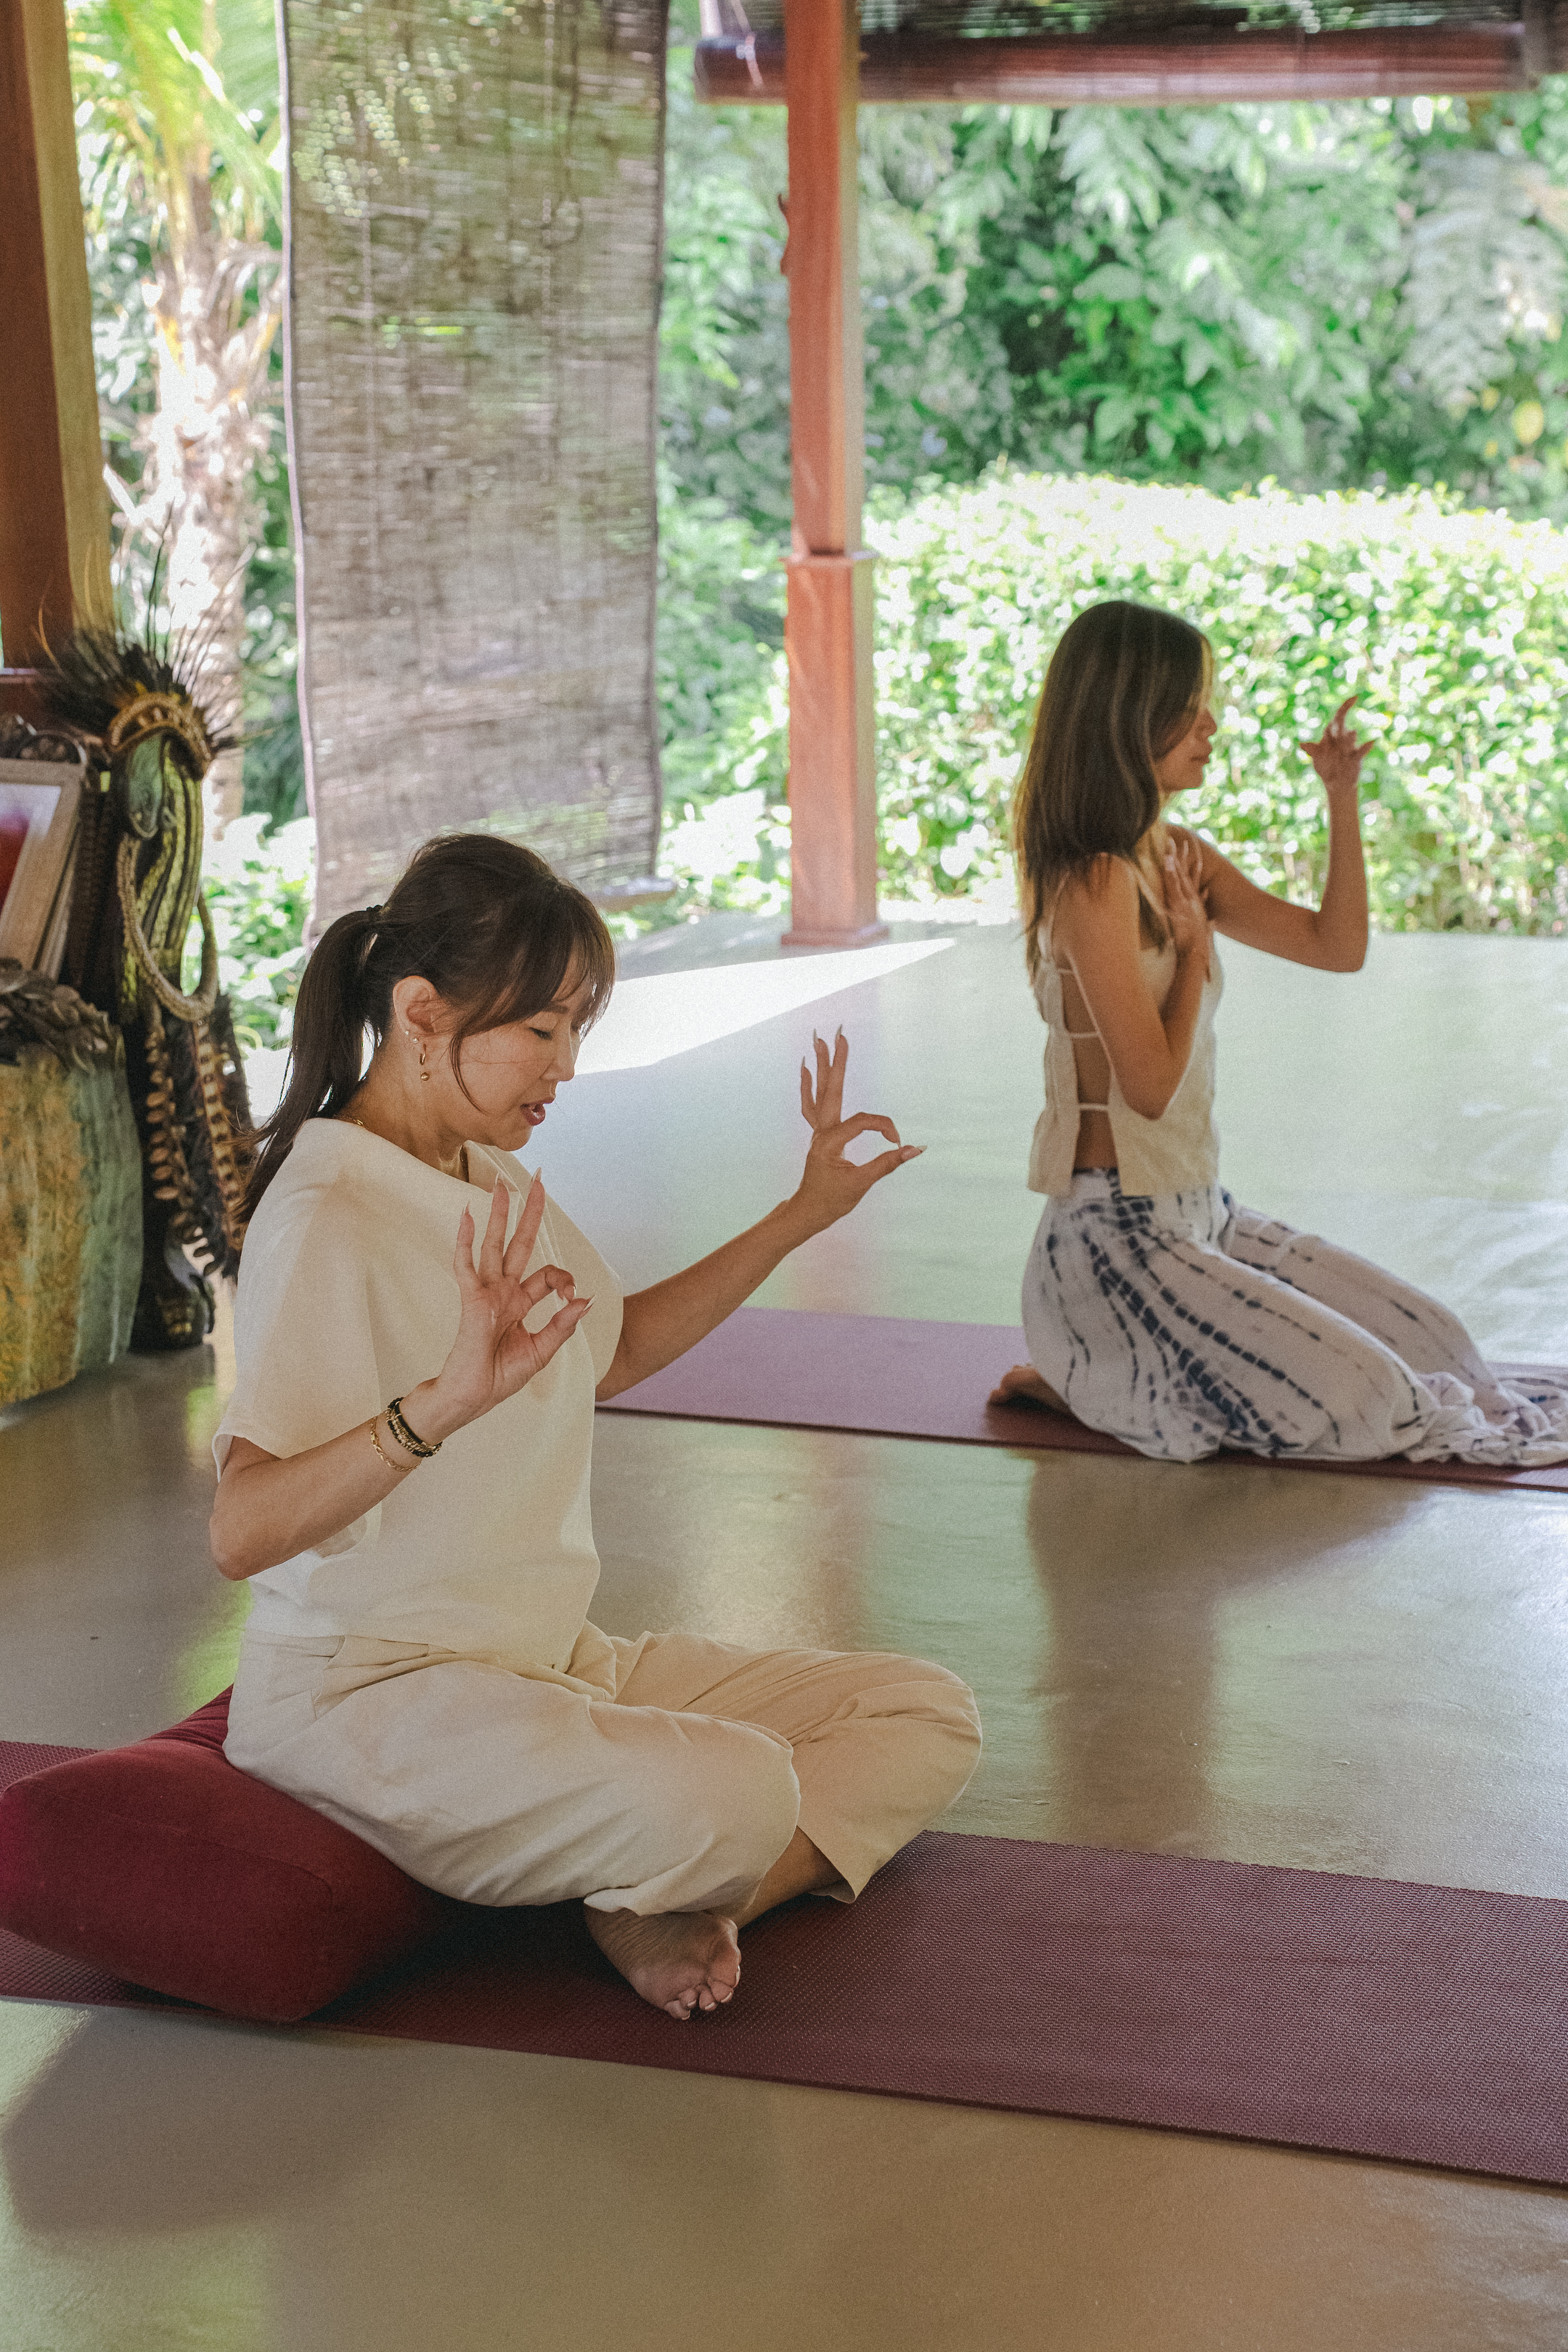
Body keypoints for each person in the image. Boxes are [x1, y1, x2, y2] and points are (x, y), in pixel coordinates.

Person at [210, 834, 981, 2021]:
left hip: (550, 1660)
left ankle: (677, 1901)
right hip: (373, 1696)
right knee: (739, 1788)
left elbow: (609, 1350)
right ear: (421, 1014)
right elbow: (242, 1530)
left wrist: (802, 1214)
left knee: (922, 1712)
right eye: (542, 1028)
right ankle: (669, 1874)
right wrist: (439, 1407)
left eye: (577, 1027)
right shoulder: (329, 1211)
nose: (566, 1063)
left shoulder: (490, 1173)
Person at [992, 599, 1568, 1467]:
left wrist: (1341, 798)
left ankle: (1113, 1378)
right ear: (1131, 717)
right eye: (1191, 707)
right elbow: (1148, 1089)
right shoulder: (1092, 883)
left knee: (1445, 1348)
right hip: (1115, 1244)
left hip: (1202, 1214)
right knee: (1379, 1402)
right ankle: (1098, 1371)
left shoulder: (1175, 854)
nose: (1211, 726)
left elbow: (1336, 948)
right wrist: (1194, 952)